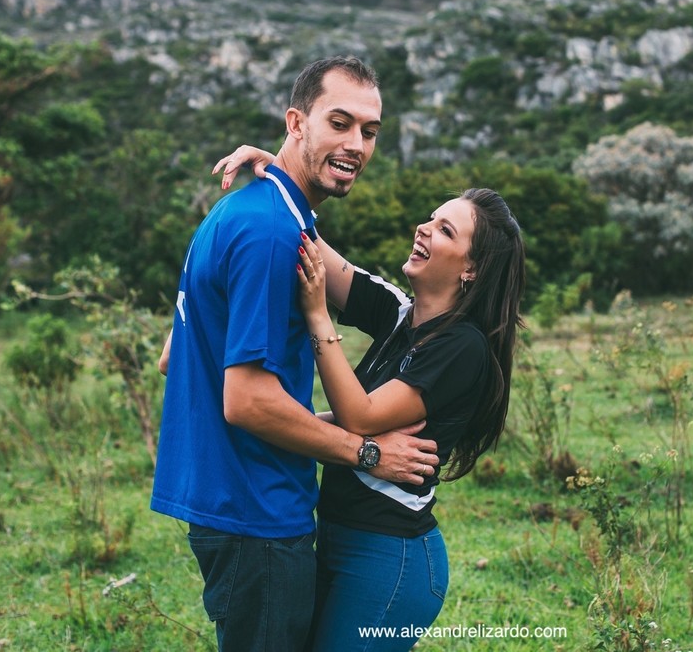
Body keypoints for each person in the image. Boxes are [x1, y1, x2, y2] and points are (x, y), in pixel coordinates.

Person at [151, 57, 440, 652]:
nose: (356, 144)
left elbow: (175, 355)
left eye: (369, 131)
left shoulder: (252, 208)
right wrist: (365, 452)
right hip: (256, 510)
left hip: (226, 499)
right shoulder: (269, 231)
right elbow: (248, 401)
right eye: (339, 122)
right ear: (296, 122)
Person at [216, 145, 527, 651]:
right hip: (337, 537)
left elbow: (360, 416)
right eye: (431, 219)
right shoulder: (398, 312)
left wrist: (319, 318)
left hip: (391, 560)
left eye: (445, 230)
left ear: (471, 269)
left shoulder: (462, 346)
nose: (424, 229)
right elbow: (308, 245)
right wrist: (281, 171)